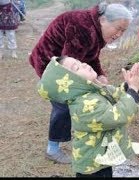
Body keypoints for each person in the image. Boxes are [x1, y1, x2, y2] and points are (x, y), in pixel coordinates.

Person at [29, 2, 133, 164]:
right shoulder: (83, 28)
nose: (119, 34)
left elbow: (91, 55)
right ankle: (53, 149)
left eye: (123, 31)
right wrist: (95, 84)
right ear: (104, 20)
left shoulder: (97, 29)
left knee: (74, 101)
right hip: (50, 63)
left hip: (67, 62)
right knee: (63, 104)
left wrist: (100, 74)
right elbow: (72, 70)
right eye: (118, 28)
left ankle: (71, 137)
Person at [37, 56, 139, 177]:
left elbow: (115, 95)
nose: (84, 64)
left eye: (80, 62)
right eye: (77, 67)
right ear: (71, 83)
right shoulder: (83, 105)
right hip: (92, 167)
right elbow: (118, 116)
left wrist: (129, 86)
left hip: (102, 159)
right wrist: (133, 89)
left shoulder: (94, 90)